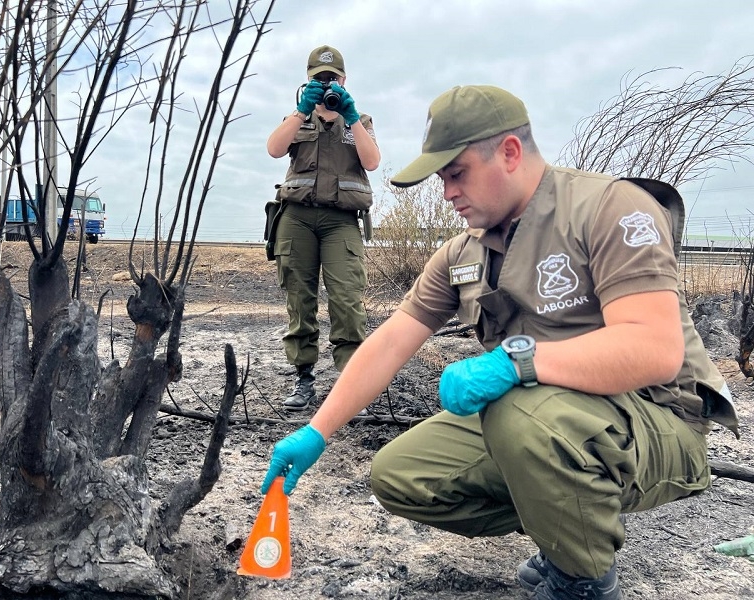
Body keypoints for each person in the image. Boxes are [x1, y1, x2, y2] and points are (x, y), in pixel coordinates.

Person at [260, 85, 740, 599]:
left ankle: (582, 579)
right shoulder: (462, 254)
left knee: (516, 411)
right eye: (443, 179)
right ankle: (564, 533)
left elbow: (655, 349)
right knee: (401, 474)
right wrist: (317, 432)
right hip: (557, 420)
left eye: (457, 173)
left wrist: (518, 363)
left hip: (659, 422)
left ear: (510, 153)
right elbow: (392, 341)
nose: (447, 193)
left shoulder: (607, 207)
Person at [266, 44, 380, 411]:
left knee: (347, 300)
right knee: (299, 299)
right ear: (308, 80)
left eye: (332, 78)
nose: (326, 83)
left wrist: (350, 118)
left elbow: (372, 161)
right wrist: (301, 112)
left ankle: (351, 385)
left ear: (344, 80)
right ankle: (303, 381)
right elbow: (273, 148)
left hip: (341, 222)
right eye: (319, 78)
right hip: (297, 218)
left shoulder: (358, 119)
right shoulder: (296, 118)